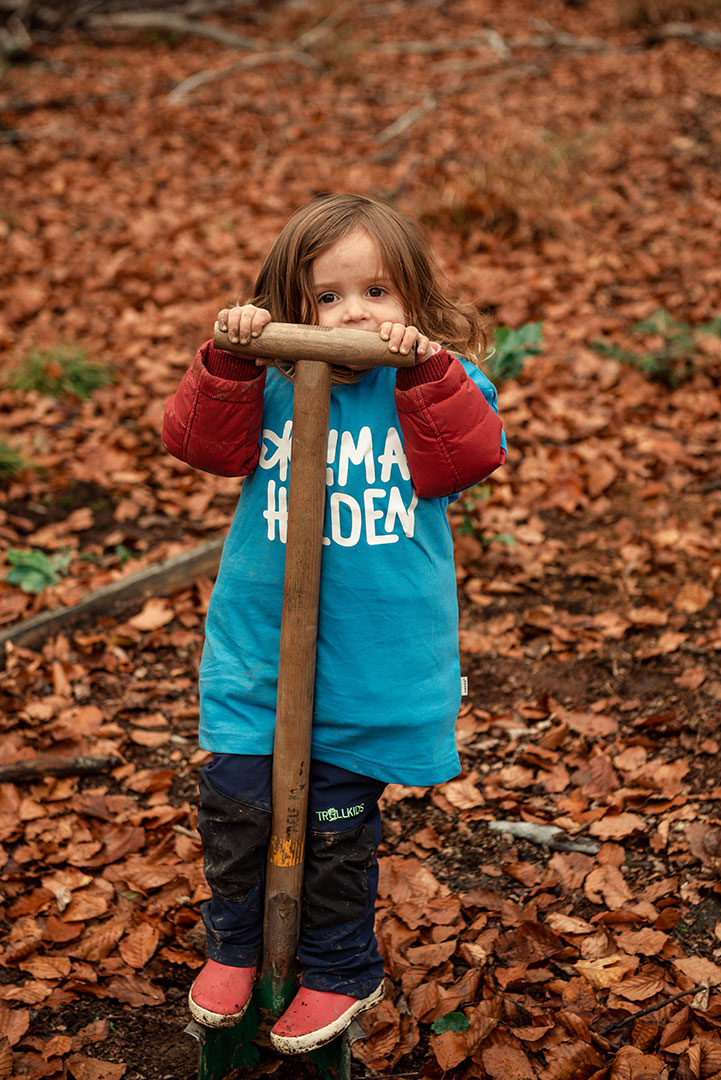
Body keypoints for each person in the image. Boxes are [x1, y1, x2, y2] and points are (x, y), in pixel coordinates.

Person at [161, 193, 506, 1054]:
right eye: (326, 298)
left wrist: (425, 370)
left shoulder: (439, 385)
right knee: (237, 802)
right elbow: (201, 446)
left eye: (378, 293)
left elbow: (465, 458)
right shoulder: (268, 384)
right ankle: (237, 949)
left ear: (415, 306)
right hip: (262, 653)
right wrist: (231, 357)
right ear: (289, 308)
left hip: (372, 662)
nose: (353, 314)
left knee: (334, 824)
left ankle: (337, 967)